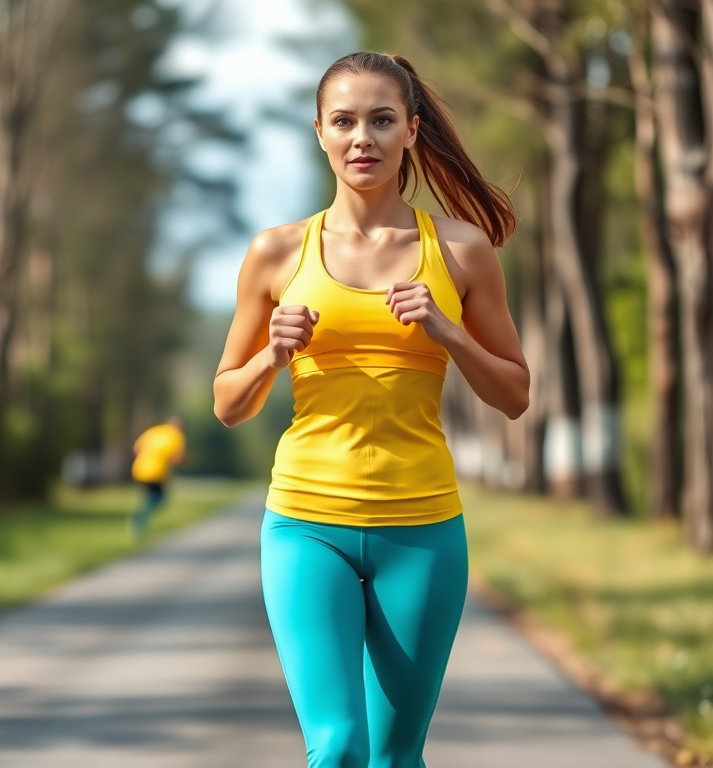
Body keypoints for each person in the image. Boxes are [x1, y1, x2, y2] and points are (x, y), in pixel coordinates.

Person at [213, 51, 529, 768]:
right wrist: (273, 354)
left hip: (421, 530)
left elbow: (514, 394)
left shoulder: (460, 250)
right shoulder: (276, 253)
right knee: (338, 746)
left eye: (382, 120)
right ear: (319, 132)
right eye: (345, 121)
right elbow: (227, 402)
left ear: (412, 131)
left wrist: (447, 332)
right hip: (305, 526)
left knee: (395, 755)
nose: (364, 138)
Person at [129, 416, 186, 538]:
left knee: (150, 497)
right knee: (159, 498)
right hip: (156, 471)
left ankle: (140, 525)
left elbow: (136, 447)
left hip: (139, 468)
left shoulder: (155, 431)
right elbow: (177, 458)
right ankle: (139, 516)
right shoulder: (176, 436)